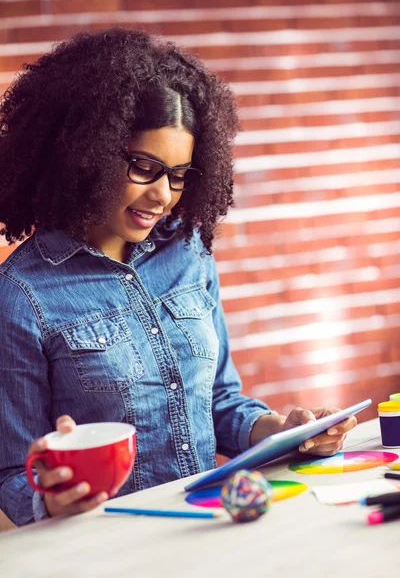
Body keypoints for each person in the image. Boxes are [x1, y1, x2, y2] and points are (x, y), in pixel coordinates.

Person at [0, 27, 357, 527]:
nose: (164, 195)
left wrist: (282, 431)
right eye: (144, 167)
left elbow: (218, 400)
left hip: (202, 528)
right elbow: (14, 474)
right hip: (106, 552)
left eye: (180, 174)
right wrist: (51, 499)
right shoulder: (22, 295)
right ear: (86, 154)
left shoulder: (187, 251)